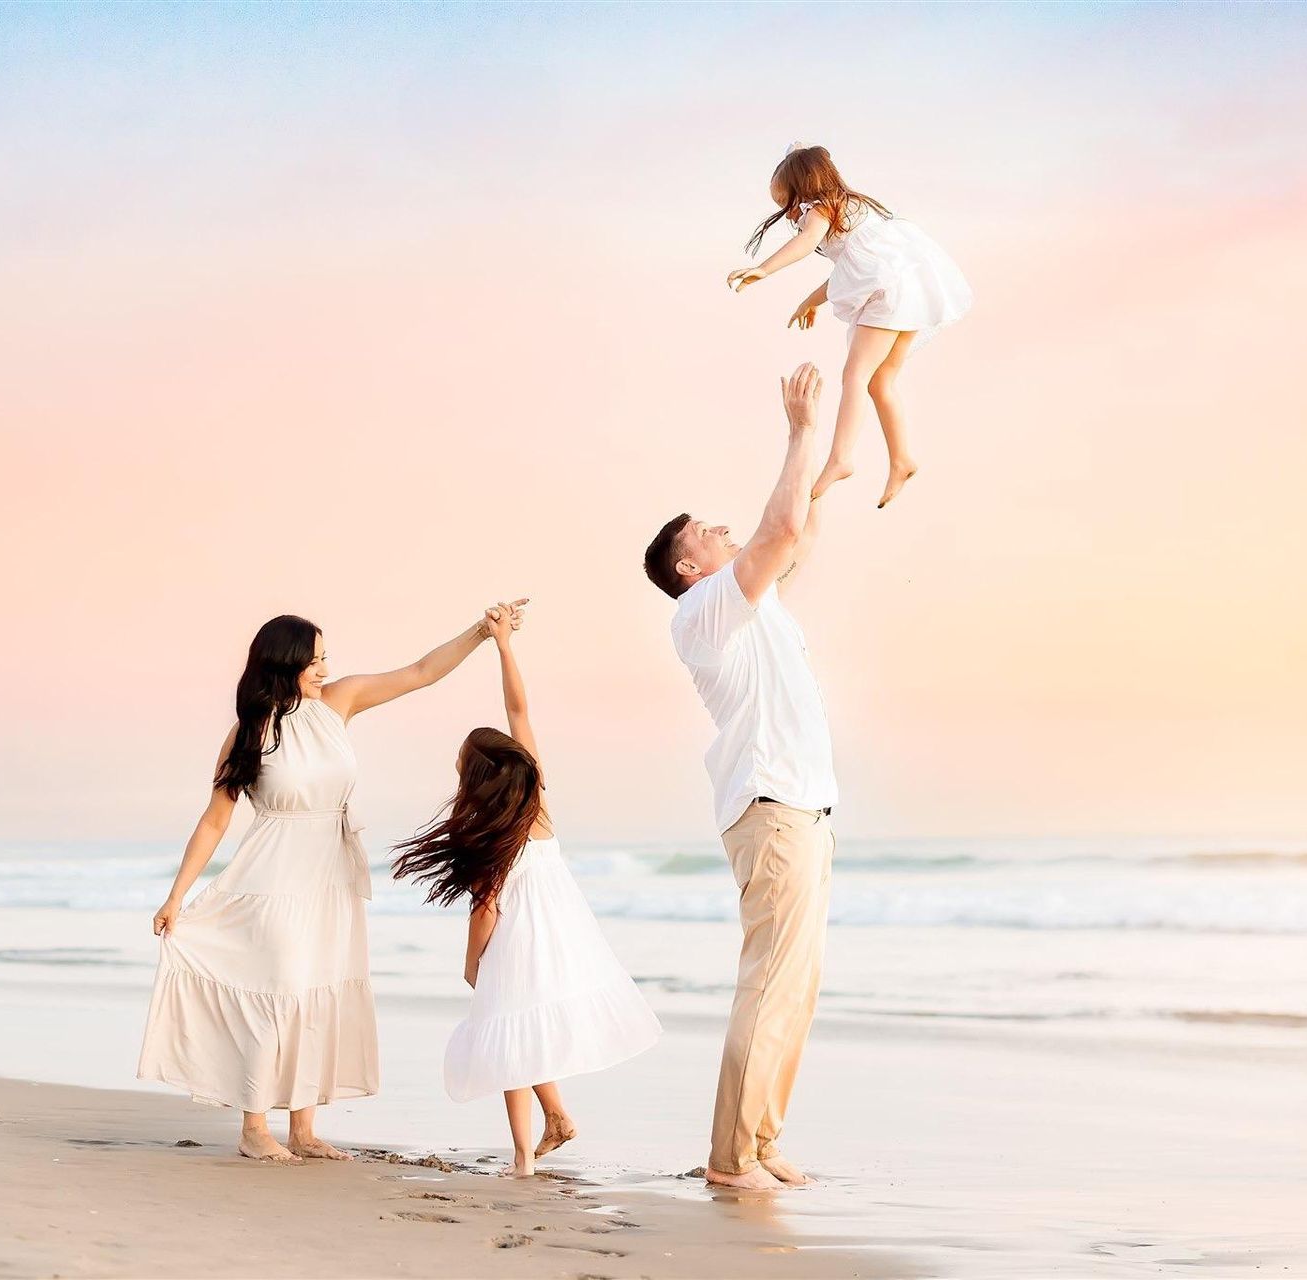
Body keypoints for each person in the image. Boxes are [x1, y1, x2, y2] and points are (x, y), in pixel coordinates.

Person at [136, 601, 525, 1163]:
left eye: (325, 658)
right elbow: (216, 818)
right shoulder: (250, 731)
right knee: (283, 989)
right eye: (313, 660)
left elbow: (420, 673)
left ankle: (303, 1128)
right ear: (283, 662)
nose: (323, 669)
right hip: (273, 875)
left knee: (320, 988)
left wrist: (482, 633)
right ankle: (253, 1126)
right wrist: (177, 895)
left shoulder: (339, 702)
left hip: (333, 874)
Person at [641, 362, 836, 1190]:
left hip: (803, 808)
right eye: (710, 533)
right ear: (690, 567)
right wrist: (794, 432)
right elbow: (780, 534)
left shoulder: (754, 606)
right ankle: (729, 1159)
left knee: (797, 986)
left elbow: (798, 524)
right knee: (769, 980)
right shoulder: (704, 608)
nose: (726, 535)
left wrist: (831, 447)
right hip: (773, 807)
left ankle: (758, 1141)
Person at [393, 603, 660, 1177]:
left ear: (474, 781)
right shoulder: (537, 807)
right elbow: (519, 709)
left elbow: (485, 909)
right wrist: (503, 645)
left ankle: (522, 1155)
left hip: (516, 941)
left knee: (508, 1035)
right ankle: (556, 1121)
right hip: (561, 935)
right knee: (519, 1030)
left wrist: (472, 962)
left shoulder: (492, 836)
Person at [727, 143, 972, 507]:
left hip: (889, 292)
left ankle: (841, 457)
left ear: (804, 189)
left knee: (855, 376)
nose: (790, 213)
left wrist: (765, 268)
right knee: (880, 381)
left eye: (788, 202)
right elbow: (859, 269)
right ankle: (901, 459)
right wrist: (810, 301)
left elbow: (806, 241)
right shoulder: (855, 210)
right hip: (909, 289)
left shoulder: (820, 209)